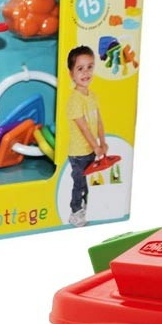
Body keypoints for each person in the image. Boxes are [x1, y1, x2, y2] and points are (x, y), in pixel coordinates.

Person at [65, 45, 107, 226]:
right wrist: (96, 145)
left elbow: (98, 121)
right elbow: (83, 128)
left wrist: (103, 142)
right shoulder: (74, 100)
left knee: (89, 184)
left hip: (90, 150)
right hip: (78, 153)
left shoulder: (92, 96)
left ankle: (87, 209)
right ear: (71, 74)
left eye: (90, 67)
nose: (86, 72)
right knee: (80, 184)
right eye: (80, 69)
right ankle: (75, 212)